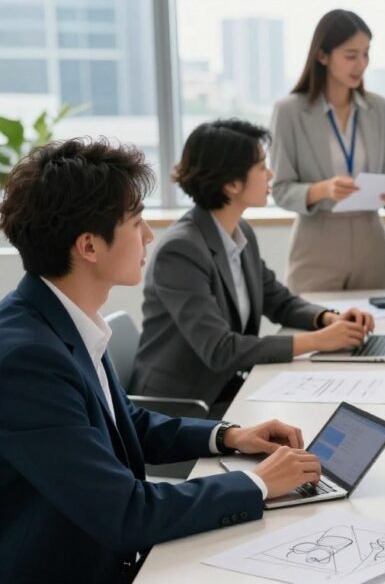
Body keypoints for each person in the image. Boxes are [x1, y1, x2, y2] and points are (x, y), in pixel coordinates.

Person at [0, 139, 323, 583]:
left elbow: (123, 425)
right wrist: (258, 483)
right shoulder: (26, 359)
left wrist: (229, 436)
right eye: (136, 222)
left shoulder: (62, 319)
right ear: (89, 246)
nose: (150, 235)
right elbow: (126, 514)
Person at [132, 120, 374, 416]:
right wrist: (318, 341)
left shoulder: (239, 231)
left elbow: (279, 301)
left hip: (228, 388)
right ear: (232, 184)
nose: (270, 175)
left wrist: (328, 318)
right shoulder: (181, 251)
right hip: (184, 405)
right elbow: (220, 350)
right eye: (261, 167)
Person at [270, 9, 385, 292]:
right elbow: (280, 189)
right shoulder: (289, 112)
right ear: (322, 56)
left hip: (371, 240)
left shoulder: (379, 108)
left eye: (366, 54)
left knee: (373, 320)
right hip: (317, 238)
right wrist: (322, 190)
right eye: (351, 55)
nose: (361, 64)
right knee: (312, 318)